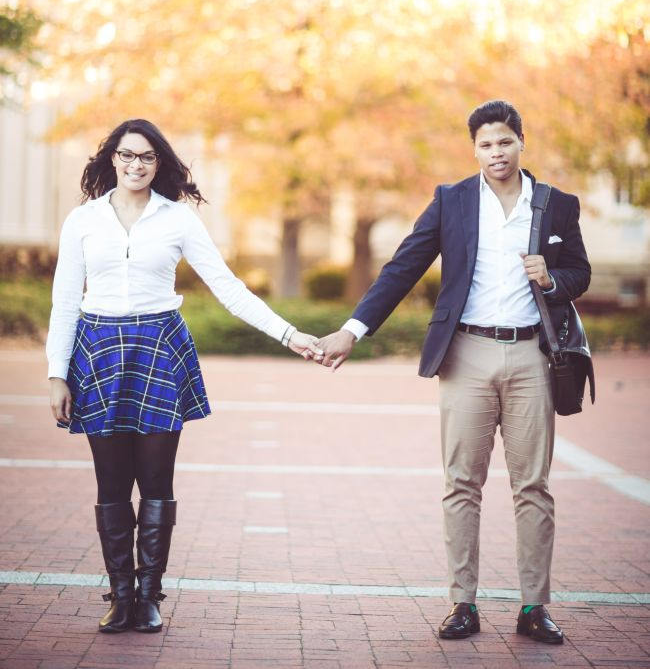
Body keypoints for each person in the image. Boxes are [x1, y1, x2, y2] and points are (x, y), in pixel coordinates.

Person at [317, 100, 591, 646]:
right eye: (486, 144)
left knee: (532, 485)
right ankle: (461, 603)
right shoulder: (453, 201)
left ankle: (534, 607)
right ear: (475, 149)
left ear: (521, 142)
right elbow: (403, 266)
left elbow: (578, 272)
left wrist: (553, 278)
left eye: (505, 142)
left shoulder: (556, 205)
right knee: (461, 482)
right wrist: (353, 329)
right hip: (465, 354)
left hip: (533, 356)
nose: (497, 152)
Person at [46, 118, 323, 634]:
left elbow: (228, 288)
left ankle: (149, 596)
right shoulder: (82, 220)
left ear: (159, 164)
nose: (135, 165)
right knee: (110, 483)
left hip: (158, 349)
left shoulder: (177, 220)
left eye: (147, 157)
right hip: (99, 350)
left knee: (155, 480)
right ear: (112, 158)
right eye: (127, 155)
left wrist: (291, 336)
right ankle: (120, 596)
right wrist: (56, 374)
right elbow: (65, 301)